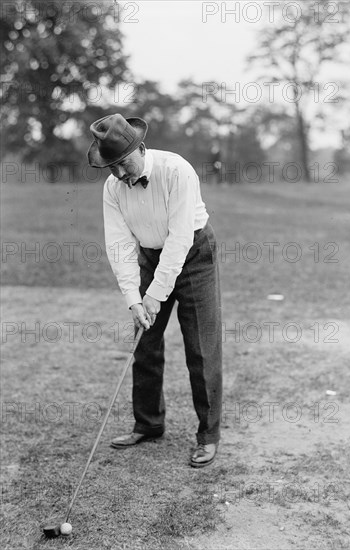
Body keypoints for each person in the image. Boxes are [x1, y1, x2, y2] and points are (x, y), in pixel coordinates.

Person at [87, 113, 222, 468]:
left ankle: (208, 435)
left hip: (193, 254)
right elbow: (119, 246)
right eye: (111, 167)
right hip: (149, 254)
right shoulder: (113, 188)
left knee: (201, 348)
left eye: (123, 163)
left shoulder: (178, 171)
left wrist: (155, 295)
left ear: (141, 148)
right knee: (144, 341)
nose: (118, 174)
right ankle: (148, 423)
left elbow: (179, 240)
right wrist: (134, 299)